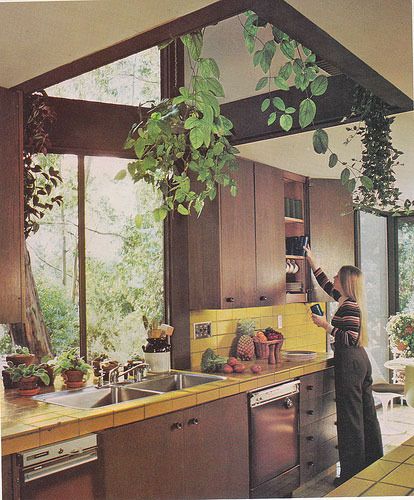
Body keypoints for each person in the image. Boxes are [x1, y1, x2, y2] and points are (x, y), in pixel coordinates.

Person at [304, 244, 383, 486]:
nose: (334, 277)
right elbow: (326, 284)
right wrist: (312, 261)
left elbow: (348, 337)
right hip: (359, 361)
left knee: (350, 419)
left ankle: (351, 474)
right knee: (366, 413)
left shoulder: (349, 306)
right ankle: (372, 461)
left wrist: (324, 325)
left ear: (347, 282)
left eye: (338, 275)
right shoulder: (347, 300)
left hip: (349, 361)